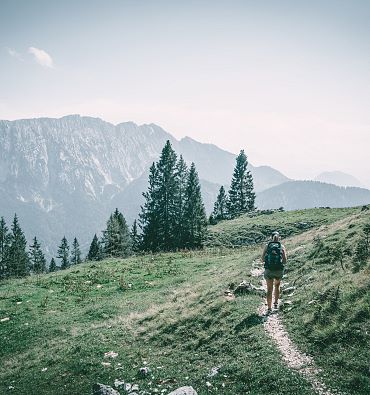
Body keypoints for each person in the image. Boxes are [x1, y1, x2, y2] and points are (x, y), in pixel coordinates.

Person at [261, 231, 287, 314]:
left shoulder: (267, 246)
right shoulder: (281, 246)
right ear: (279, 237)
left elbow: (262, 259)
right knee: (277, 285)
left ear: (271, 237)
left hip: (269, 270)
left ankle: (269, 308)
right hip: (278, 271)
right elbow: (285, 261)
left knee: (269, 289)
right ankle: (275, 304)